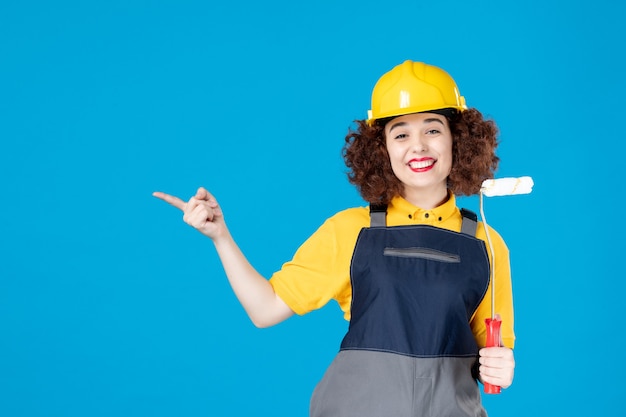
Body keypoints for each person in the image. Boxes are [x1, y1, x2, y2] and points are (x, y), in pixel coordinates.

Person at [153, 60, 516, 417]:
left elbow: (492, 351)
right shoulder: (351, 230)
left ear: (458, 139)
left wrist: (501, 366)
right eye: (401, 133)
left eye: (433, 129)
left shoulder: (486, 243)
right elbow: (265, 310)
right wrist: (220, 236)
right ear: (382, 149)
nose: (418, 146)